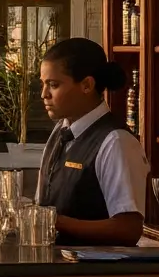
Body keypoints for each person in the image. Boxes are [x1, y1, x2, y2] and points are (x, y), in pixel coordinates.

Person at [35, 38, 147, 246]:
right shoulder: (60, 130)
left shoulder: (116, 141)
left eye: (54, 85)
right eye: (43, 84)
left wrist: (54, 221)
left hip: (93, 266)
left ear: (87, 85)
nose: (44, 94)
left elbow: (128, 229)